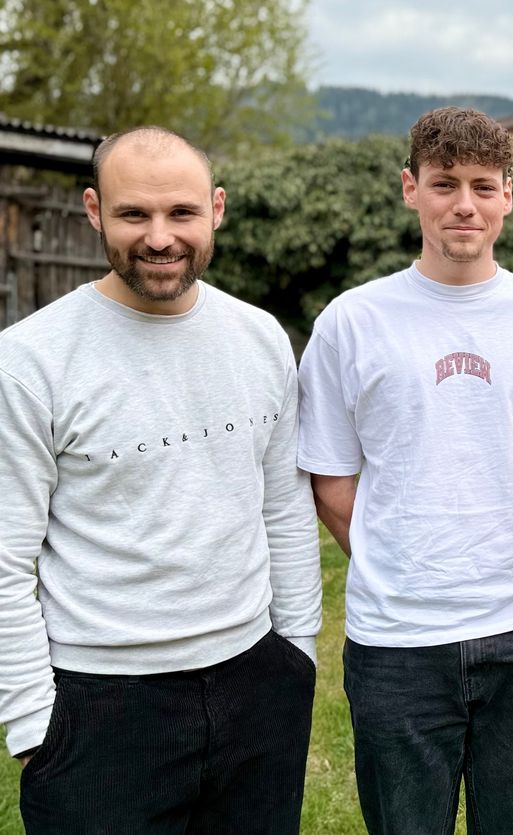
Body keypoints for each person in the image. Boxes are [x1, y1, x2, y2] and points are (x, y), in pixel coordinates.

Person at [0, 126, 322, 834]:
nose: (159, 237)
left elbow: (285, 507)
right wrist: (31, 722)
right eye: (132, 214)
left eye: (180, 213)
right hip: (99, 701)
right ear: (93, 210)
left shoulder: (261, 337)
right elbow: (4, 558)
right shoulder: (29, 361)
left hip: (255, 681)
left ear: (216, 209)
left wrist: (295, 655)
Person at [296, 107, 513, 835]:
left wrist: (500, 538)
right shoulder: (351, 321)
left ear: (508, 195)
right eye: (444, 183)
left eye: (483, 186)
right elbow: (332, 481)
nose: (465, 203)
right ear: (410, 188)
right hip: (396, 639)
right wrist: (399, 555)